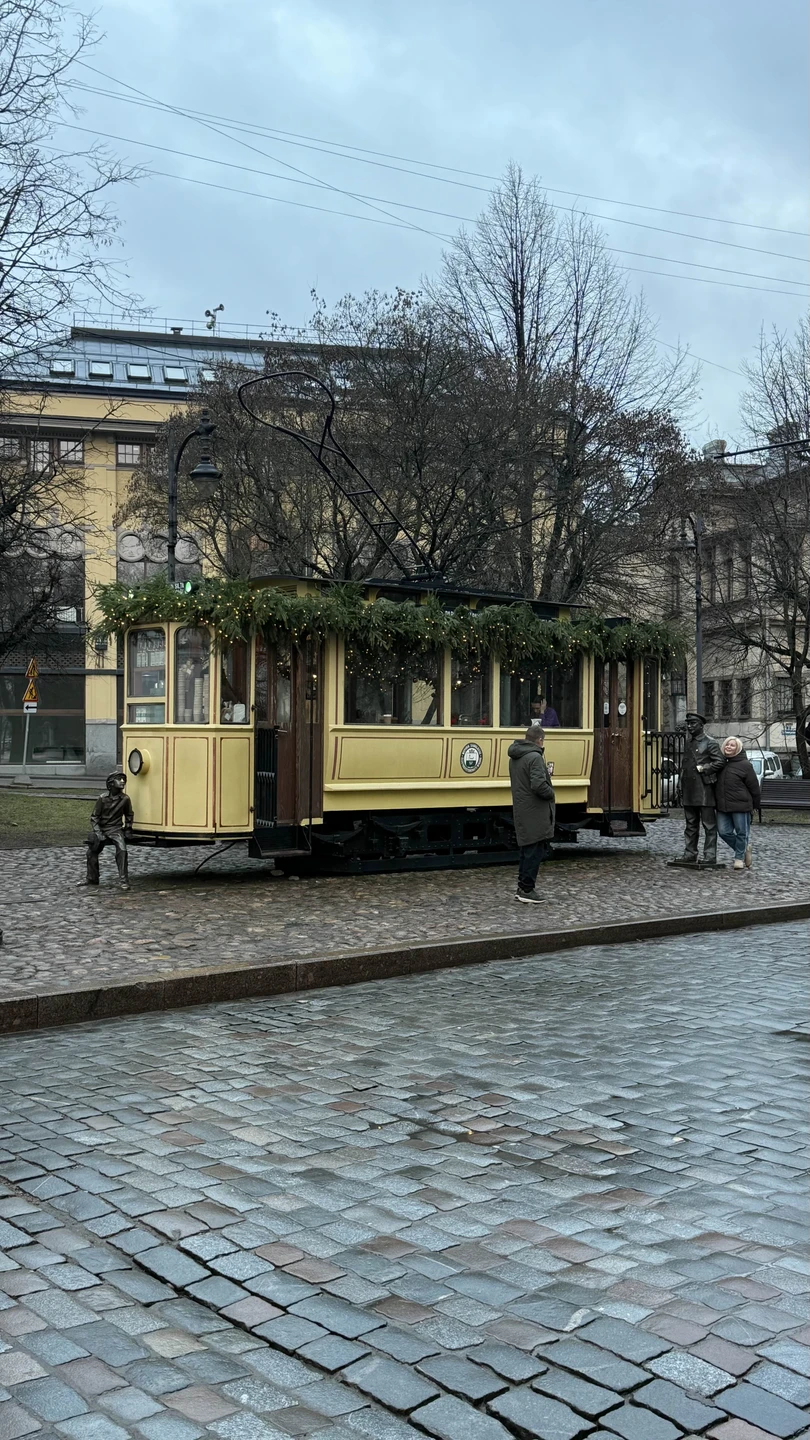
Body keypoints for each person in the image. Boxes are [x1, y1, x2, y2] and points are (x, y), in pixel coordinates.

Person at [508, 725, 556, 904]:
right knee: (534, 852)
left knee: (526, 851)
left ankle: (523, 887)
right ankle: (527, 889)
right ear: (540, 740)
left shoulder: (516, 756)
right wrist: (551, 792)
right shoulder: (535, 757)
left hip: (524, 810)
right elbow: (538, 785)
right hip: (535, 812)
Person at [673, 711, 726, 867]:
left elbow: (720, 762)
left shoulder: (710, 742)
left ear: (701, 725)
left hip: (704, 789)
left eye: (693, 724)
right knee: (690, 824)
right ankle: (690, 853)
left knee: (709, 825)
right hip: (689, 788)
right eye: (688, 724)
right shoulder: (688, 743)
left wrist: (704, 768)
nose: (689, 726)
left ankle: (710, 855)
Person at [79, 771, 134, 891]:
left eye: (123, 779)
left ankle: (124, 880)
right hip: (102, 829)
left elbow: (129, 815)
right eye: (119, 779)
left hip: (116, 829)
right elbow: (94, 817)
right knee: (91, 852)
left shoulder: (125, 799)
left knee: (122, 850)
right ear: (110, 783)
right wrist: (98, 833)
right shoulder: (102, 799)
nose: (122, 781)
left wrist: (128, 829)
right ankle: (92, 879)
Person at [715, 736, 761, 870]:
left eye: (732, 745)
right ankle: (744, 850)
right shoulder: (720, 763)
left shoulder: (745, 765)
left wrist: (756, 805)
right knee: (723, 832)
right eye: (727, 745)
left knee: (742, 832)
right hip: (722, 805)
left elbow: (754, 787)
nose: (729, 747)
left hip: (741, 805)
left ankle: (739, 858)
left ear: (738, 748)